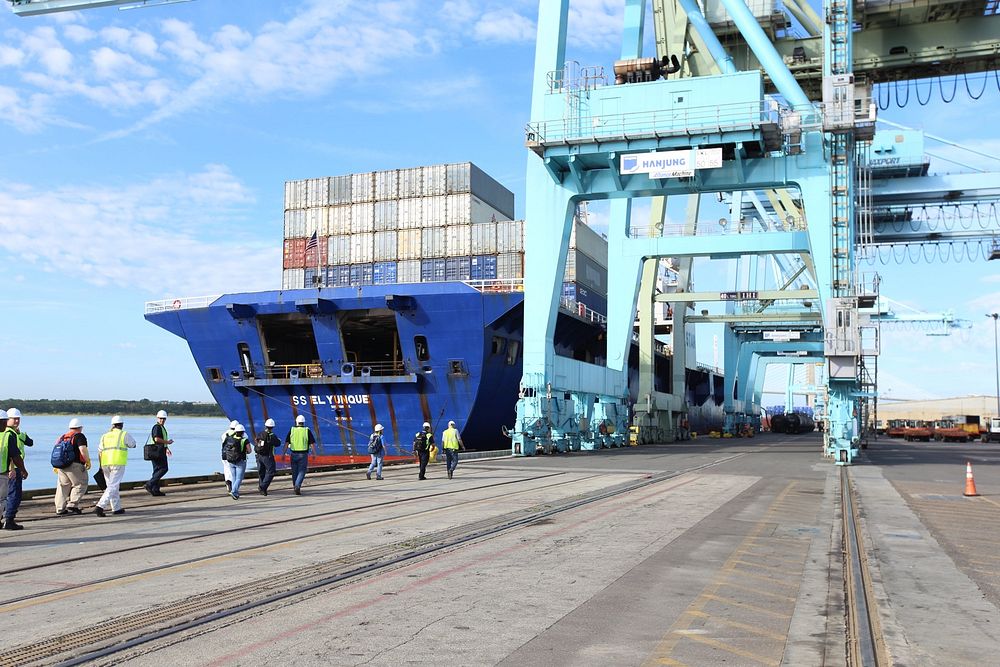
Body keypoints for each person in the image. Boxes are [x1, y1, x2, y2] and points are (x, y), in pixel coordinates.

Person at [94, 415, 136, 517]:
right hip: (117, 462)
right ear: (122, 425)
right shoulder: (124, 434)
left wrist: (100, 466)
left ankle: (116, 508)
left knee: (111, 486)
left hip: (105, 463)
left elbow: (99, 451)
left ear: (112, 425)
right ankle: (100, 506)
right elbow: (133, 444)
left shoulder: (105, 436)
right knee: (113, 486)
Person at [54, 418, 90, 516]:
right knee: (81, 484)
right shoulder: (79, 436)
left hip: (62, 466)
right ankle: (72, 504)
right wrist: (88, 461)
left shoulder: (63, 437)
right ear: (80, 427)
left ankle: (60, 509)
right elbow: (82, 449)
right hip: (75, 465)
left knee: (63, 487)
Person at [4, 408, 33, 529]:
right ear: (7, 420)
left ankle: (5, 518)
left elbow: (30, 442)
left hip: (7, 469)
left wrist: (19, 433)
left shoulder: (17, 434)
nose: (16, 421)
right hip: (13, 469)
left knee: (5, 496)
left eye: (18, 419)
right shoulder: (9, 434)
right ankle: (9, 520)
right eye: (14, 419)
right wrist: (18, 469)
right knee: (14, 494)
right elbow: (12, 454)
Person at [283, 414, 316, 495]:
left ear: (296, 422)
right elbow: (312, 443)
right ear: (303, 422)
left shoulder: (292, 430)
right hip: (303, 454)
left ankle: (295, 486)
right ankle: (297, 486)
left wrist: (283, 453)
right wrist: (314, 453)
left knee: (294, 471)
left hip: (293, 454)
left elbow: (287, 443)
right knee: (302, 471)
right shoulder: (306, 430)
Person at [145, 410, 173, 496]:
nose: (162, 420)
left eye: (164, 419)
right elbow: (156, 439)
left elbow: (160, 439)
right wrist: (167, 442)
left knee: (157, 470)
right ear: (157, 418)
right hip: (157, 452)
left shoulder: (161, 427)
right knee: (164, 469)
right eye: (161, 418)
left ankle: (155, 490)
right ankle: (150, 484)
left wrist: (167, 448)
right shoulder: (157, 427)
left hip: (159, 451)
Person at [222, 424, 251, 500]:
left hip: (231, 460)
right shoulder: (244, 440)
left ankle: (235, 492)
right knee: (239, 478)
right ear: (243, 432)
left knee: (234, 477)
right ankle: (233, 491)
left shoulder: (230, 438)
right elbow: (249, 451)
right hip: (240, 461)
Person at [255, 418, 280, 496]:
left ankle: (262, 489)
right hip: (268, 456)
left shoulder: (260, 434)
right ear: (272, 427)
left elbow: (257, 442)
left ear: (265, 426)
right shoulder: (272, 436)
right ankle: (263, 487)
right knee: (271, 471)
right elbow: (278, 444)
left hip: (259, 456)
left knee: (261, 472)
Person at [220, 420, 238, 492]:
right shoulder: (239, 434)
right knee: (234, 470)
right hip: (234, 455)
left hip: (224, 454)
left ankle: (228, 482)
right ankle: (233, 486)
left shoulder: (224, 434)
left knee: (226, 469)